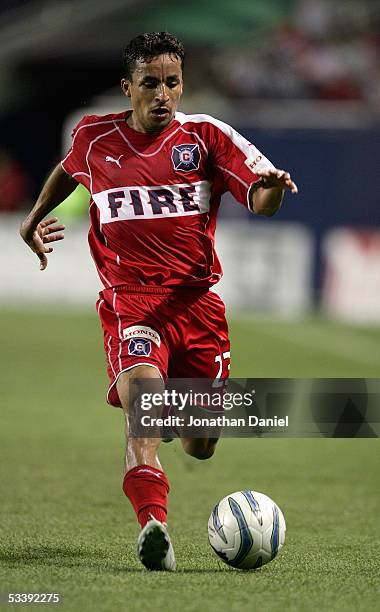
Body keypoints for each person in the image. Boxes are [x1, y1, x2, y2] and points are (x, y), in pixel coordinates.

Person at [20, 32, 298, 572]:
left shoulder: (208, 137)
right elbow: (68, 169)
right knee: (144, 410)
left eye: (172, 82)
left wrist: (273, 189)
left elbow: (260, 199)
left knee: (201, 443)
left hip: (197, 309)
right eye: (150, 83)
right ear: (128, 88)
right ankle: (155, 527)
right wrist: (33, 220)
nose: (163, 94)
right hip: (132, 304)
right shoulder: (95, 137)